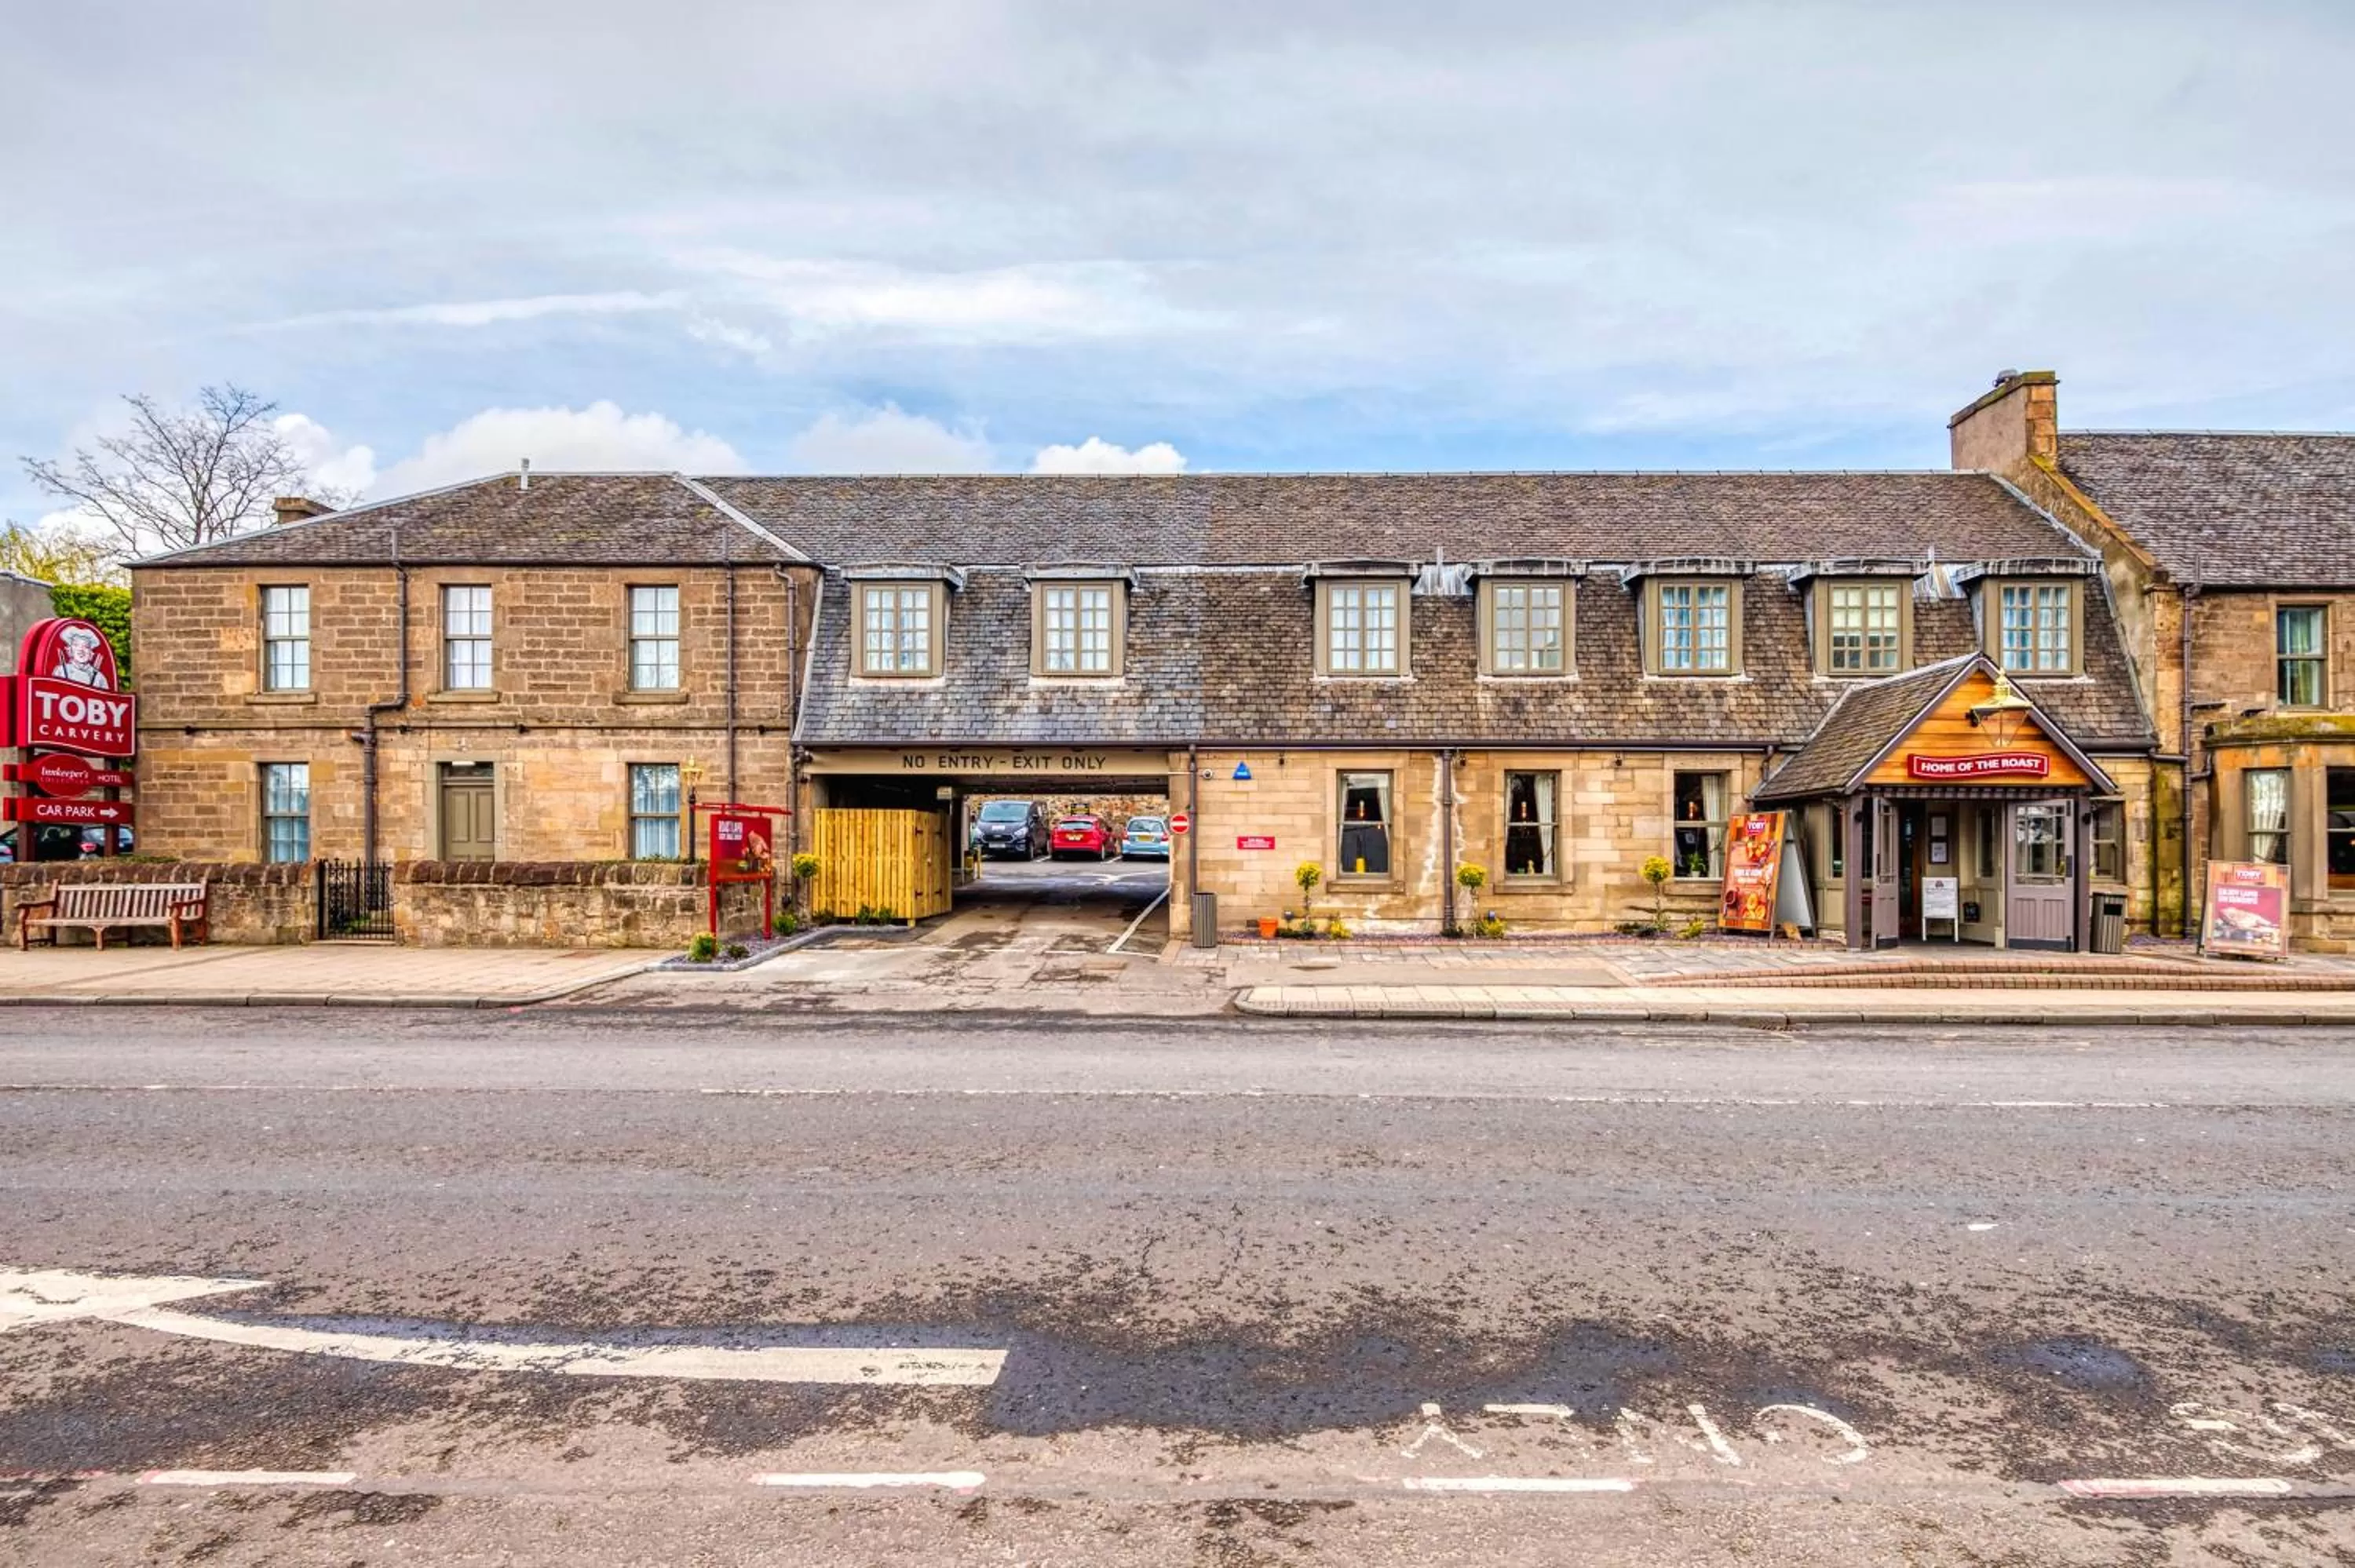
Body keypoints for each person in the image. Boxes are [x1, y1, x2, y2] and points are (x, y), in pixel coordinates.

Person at [53, 625, 111, 689]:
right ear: (70, 650)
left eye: (86, 646)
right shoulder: (61, 671)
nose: (81, 650)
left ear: (90, 652)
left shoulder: (99, 677)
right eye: (76, 645)